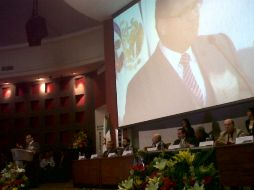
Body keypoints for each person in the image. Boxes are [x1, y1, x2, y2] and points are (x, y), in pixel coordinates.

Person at [123, 0, 253, 125]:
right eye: (183, 12)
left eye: (194, 7)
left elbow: (246, 92)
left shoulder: (218, 45)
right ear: (163, 26)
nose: (193, 16)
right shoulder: (139, 87)